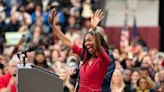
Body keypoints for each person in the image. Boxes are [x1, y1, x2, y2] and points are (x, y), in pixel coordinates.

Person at [49, 8, 111, 92]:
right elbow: (66, 41)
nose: (86, 43)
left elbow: (99, 47)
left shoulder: (104, 59)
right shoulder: (85, 55)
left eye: (89, 40)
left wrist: (94, 29)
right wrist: (53, 26)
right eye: (85, 41)